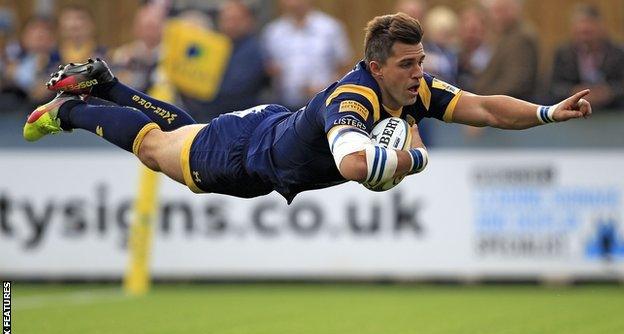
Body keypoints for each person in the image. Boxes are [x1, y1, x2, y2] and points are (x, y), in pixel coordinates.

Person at [23, 13, 592, 205]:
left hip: (269, 129)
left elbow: (487, 109)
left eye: (421, 60)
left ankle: (108, 84)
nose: (420, 71)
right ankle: (70, 111)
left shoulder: (412, 89)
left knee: (181, 134)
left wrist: (547, 112)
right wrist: (414, 160)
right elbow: (353, 165)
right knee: (153, 148)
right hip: (243, 157)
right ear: (376, 67)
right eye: (408, 63)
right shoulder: (354, 98)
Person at [262, 0, 352, 110]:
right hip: (285, 105)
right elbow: (267, 66)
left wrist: (329, 88)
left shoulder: (330, 28)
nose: (294, 3)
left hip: (323, 103)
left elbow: (344, 65)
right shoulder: (273, 32)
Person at [549, 4, 624, 110]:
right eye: (581, 33)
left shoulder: (618, 53)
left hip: (613, 110)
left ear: (601, 28)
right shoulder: (562, 53)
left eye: (588, 32)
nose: (585, 38)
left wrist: (608, 92)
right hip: (573, 112)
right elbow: (553, 87)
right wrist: (573, 92)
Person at [473, 0, 538, 101]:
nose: (494, 16)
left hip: (507, 108)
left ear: (514, 10)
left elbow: (514, 83)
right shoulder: (506, 35)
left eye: (499, 11)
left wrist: (481, 98)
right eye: (493, 11)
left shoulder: (521, 38)